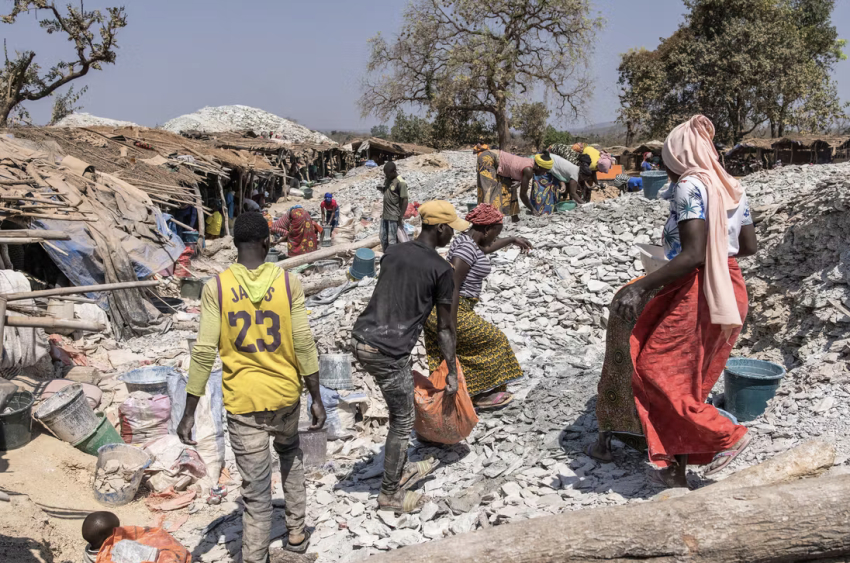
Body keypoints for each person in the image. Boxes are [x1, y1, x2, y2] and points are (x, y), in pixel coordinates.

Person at [604, 115, 757, 488]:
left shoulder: (690, 185)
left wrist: (640, 287)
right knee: (690, 380)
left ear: (678, 154)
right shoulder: (732, 186)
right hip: (730, 284)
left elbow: (692, 254)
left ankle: (727, 436)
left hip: (698, 288)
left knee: (657, 369)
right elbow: (749, 246)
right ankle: (676, 469)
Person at [177, 212, 326, 560]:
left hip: (244, 404)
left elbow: (203, 352)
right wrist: (316, 396)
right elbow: (304, 342)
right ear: (267, 242)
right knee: (290, 455)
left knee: (256, 493)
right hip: (286, 397)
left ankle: (255, 557)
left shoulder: (217, 288)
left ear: (233, 244)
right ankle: (297, 536)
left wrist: (188, 412)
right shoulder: (289, 283)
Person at [351, 200, 468, 513]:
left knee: (399, 407)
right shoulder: (442, 269)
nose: (452, 238)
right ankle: (390, 494)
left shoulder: (393, 251)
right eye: (451, 230)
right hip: (388, 351)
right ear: (440, 228)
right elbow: (445, 327)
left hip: (362, 338)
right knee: (402, 421)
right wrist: (452, 372)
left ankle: (397, 467)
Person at [423, 204, 531, 409]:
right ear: (487, 229)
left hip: (456, 306)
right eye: (496, 233)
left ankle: (468, 394)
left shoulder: (469, 241)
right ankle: (481, 395)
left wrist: (511, 239)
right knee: (495, 341)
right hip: (451, 307)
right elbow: (452, 287)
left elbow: (486, 248)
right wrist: (450, 323)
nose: (494, 238)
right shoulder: (465, 249)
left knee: (464, 349)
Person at [474, 144, 521, 222]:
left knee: (489, 191)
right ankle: (492, 218)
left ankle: (489, 216)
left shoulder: (485, 156)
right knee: (492, 191)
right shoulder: (502, 157)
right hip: (492, 167)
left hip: (494, 168)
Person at [377, 161, 408, 252]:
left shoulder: (401, 182)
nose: (386, 176)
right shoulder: (388, 180)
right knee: (383, 238)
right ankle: (385, 255)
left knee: (392, 240)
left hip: (393, 216)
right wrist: (382, 189)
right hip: (385, 215)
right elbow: (389, 192)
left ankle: (392, 258)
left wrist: (400, 216)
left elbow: (405, 200)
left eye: (388, 174)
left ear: (394, 171)